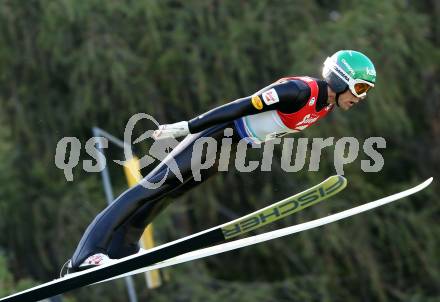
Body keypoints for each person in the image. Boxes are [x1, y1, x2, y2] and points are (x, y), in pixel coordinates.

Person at [66, 50, 376, 273]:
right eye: (359, 88)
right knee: (149, 188)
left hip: (234, 146)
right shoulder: (299, 90)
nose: (360, 97)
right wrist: (190, 126)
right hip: (217, 135)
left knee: (170, 193)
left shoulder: (326, 105)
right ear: (340, 79)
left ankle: (123, 248)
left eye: (366, 92)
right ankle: (86, 255)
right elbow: (241, 106)